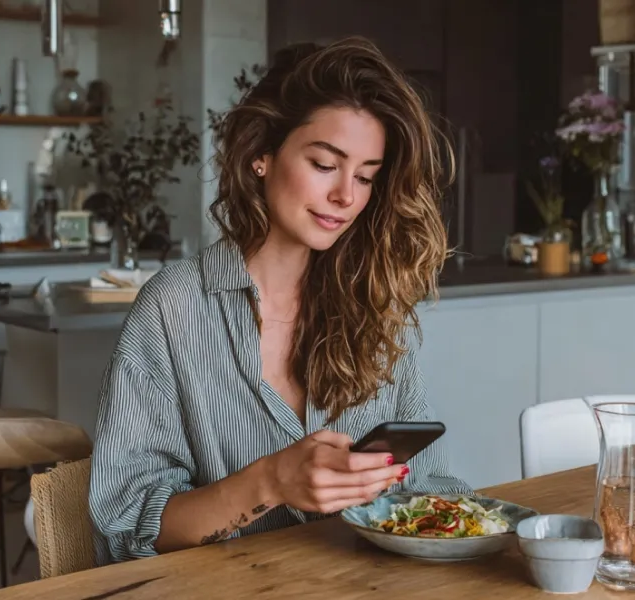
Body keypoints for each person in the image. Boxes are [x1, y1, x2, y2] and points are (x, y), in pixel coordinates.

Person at [88, 35, 473, 565]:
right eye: (323, 164)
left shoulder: (375, 307)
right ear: (261, 156)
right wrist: (270, 480)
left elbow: (433, 486)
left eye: (365, 177)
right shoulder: (172, 308)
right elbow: (128, 528)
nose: (346, 196)